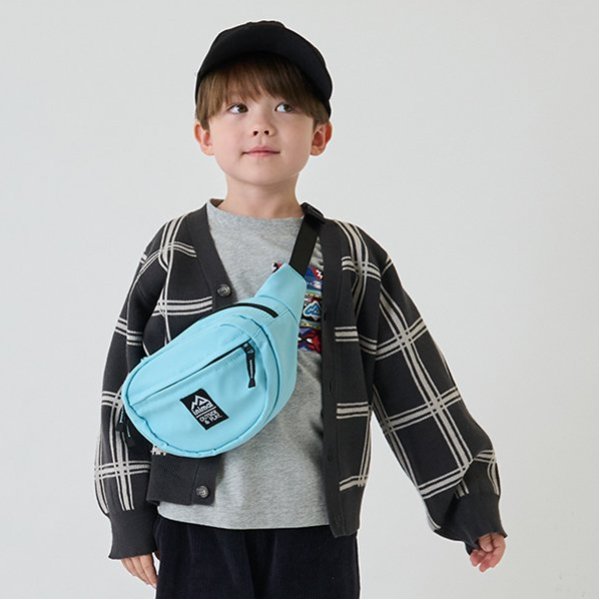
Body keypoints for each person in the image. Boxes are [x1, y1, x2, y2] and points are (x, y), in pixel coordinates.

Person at [94, 20, 507, 599]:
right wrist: (128, 513)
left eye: (285, 106)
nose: (261, 123)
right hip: (193, 523)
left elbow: (412, 381)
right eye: (237, 107)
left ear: (320, 135)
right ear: (204, 135)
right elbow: (127, 386)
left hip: (314, 526)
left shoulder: (350, 255)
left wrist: (469, 500)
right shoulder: (175, 249)